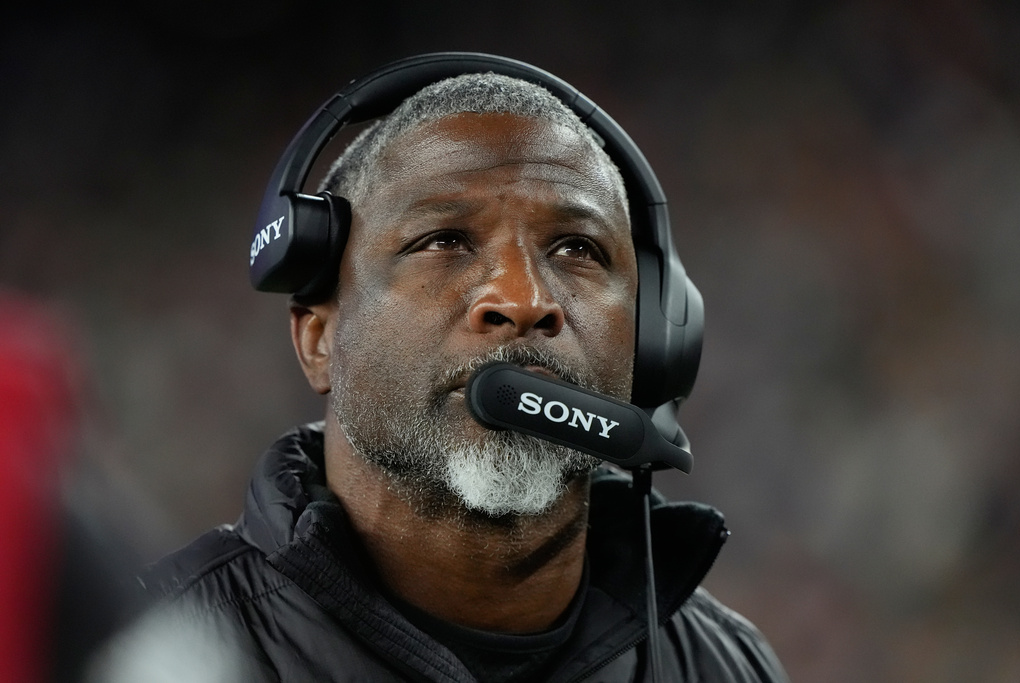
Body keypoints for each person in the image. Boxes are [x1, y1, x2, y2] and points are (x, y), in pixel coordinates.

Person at [140, 55, 789, 682]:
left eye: (576, 248)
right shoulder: (153, 654)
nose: (523, 298)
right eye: (443, 241)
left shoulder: (727, 664)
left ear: (658, 342)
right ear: (317, 338)